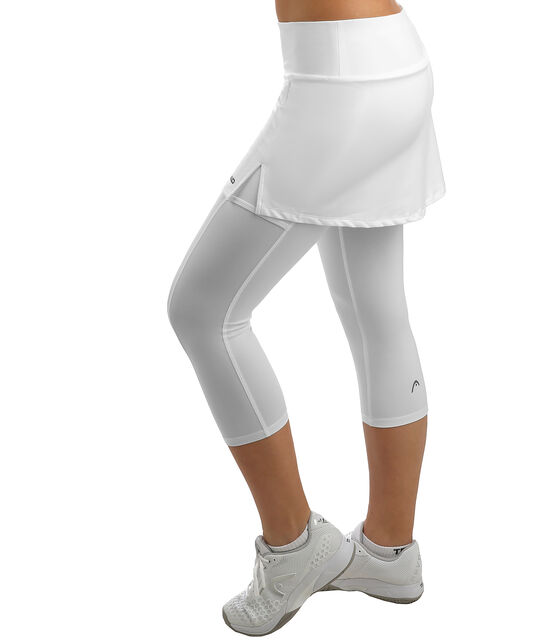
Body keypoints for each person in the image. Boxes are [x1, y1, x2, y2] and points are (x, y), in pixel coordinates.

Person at [167, 0, 445, 634]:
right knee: (376, 309)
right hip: (393, 63)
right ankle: (390, 553)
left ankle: (293, 547)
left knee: (202, 311)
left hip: (340, 88)